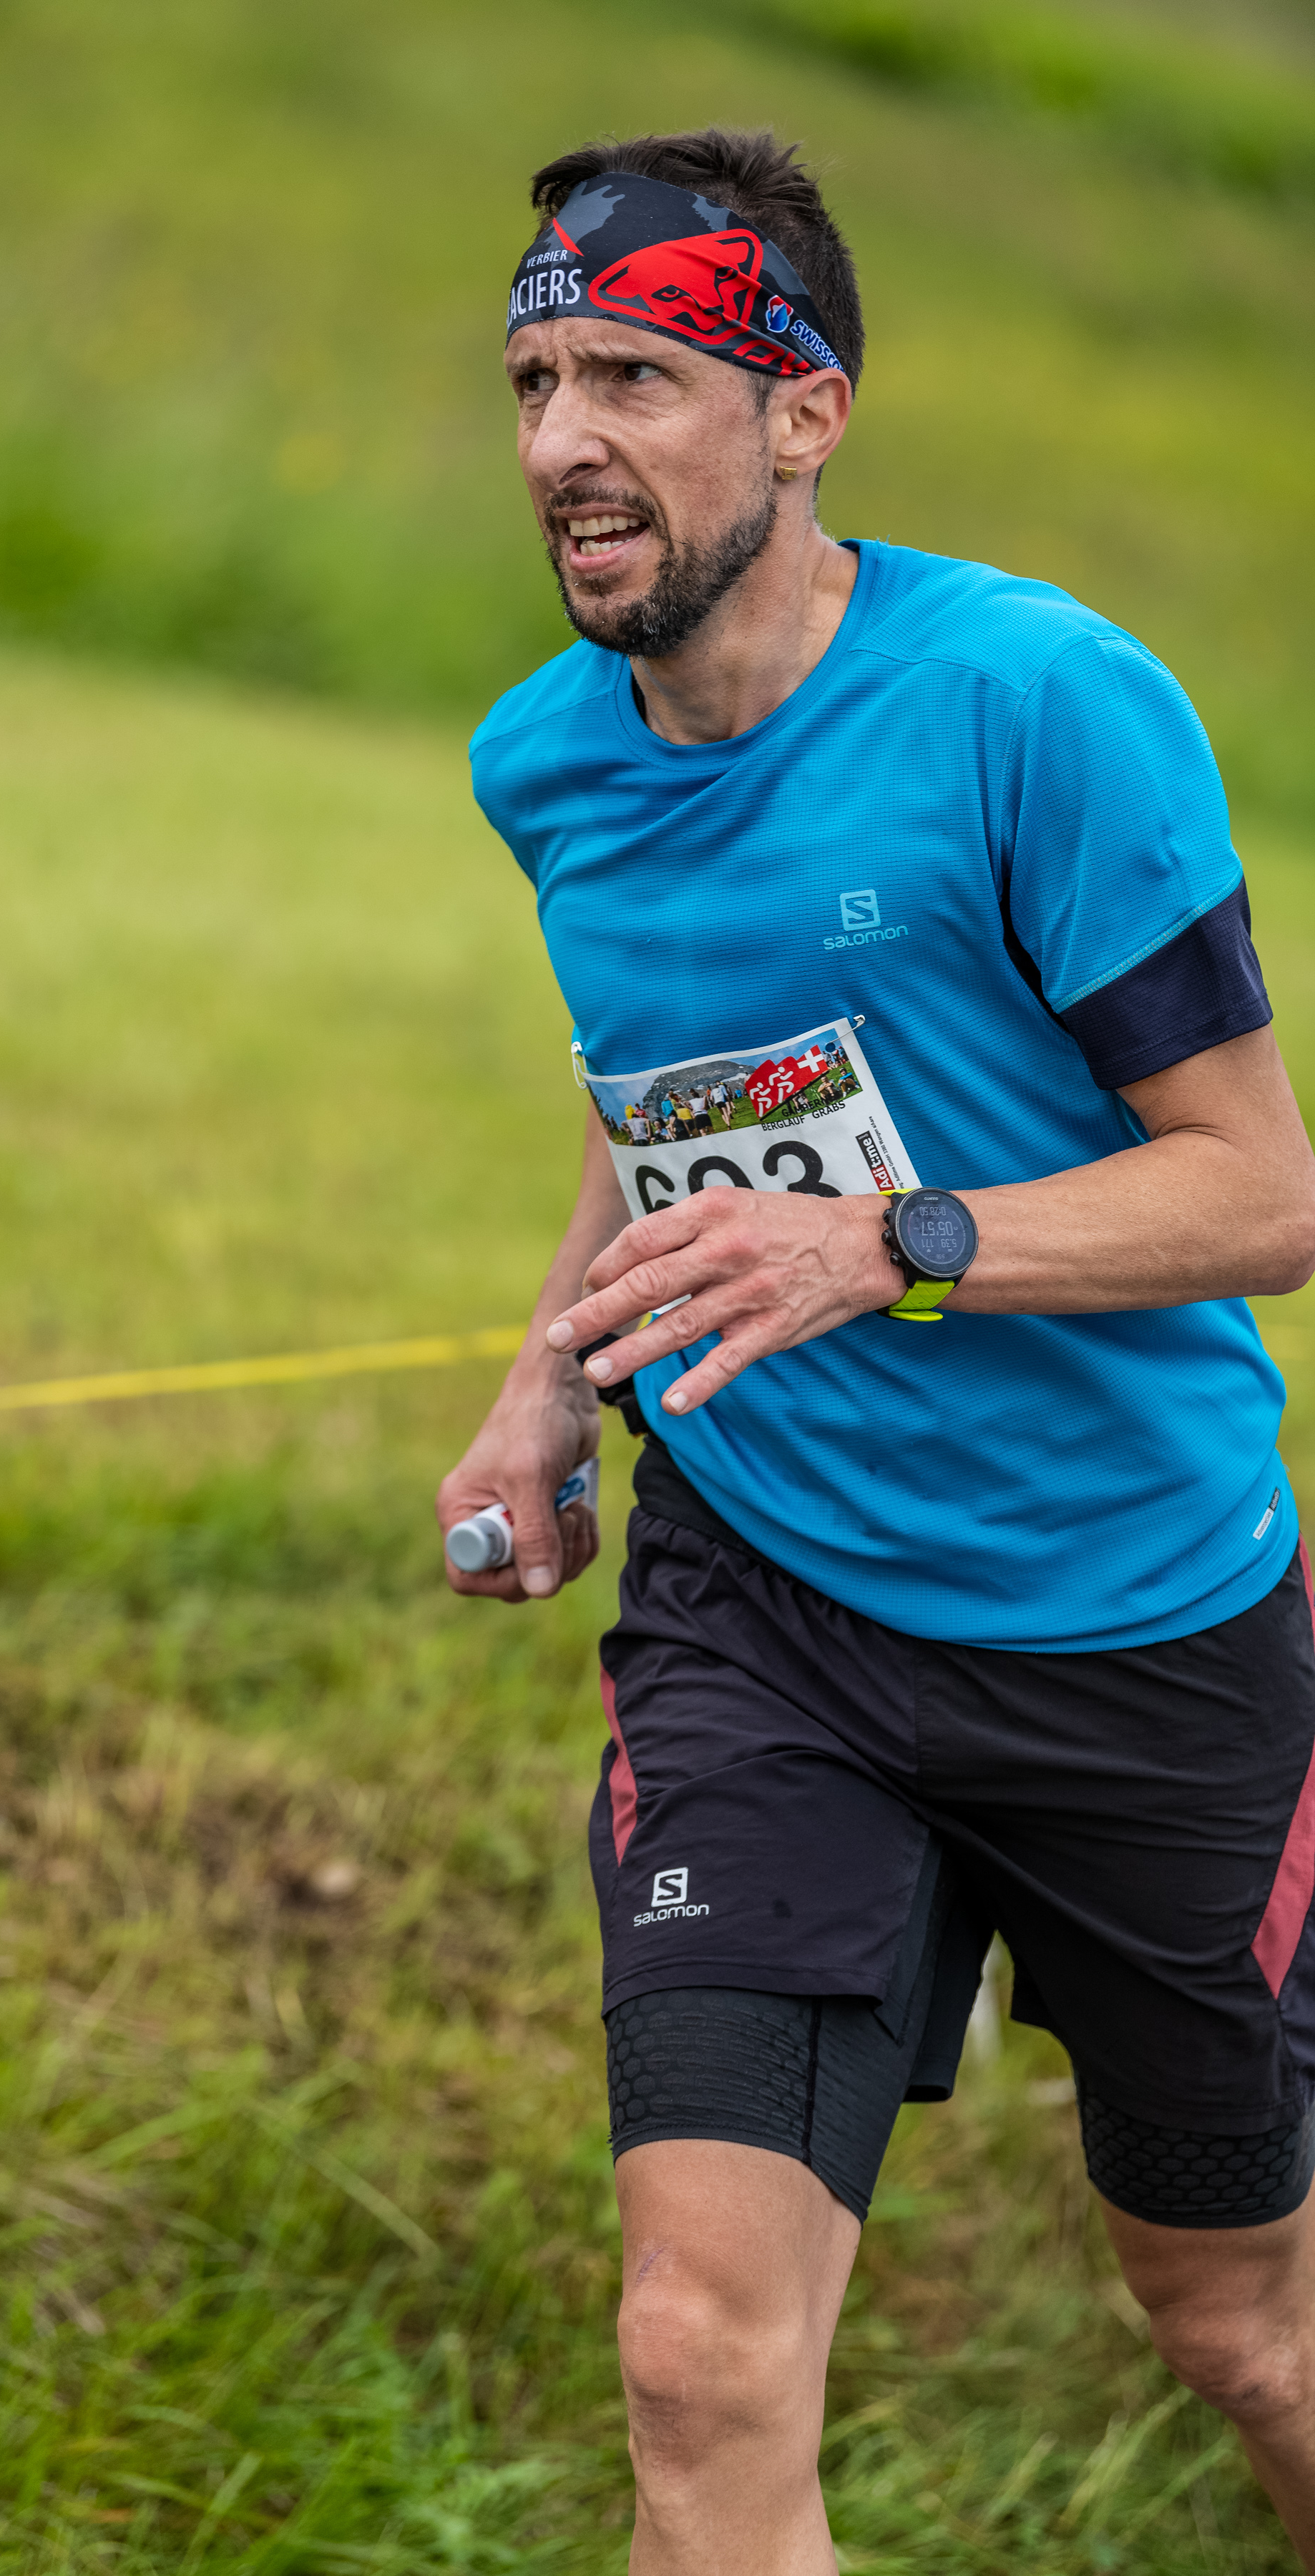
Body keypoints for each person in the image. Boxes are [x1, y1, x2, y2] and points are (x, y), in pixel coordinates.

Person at [438, 123, 1315, 2574]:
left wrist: (893, 1243)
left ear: (807, 412)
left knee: (1243, 2328)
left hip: (1137, 1626)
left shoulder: (1039, 702)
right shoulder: (547, 759)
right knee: (695, 2362)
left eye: (635, 376)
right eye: (532, 383)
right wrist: (552, 1372)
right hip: (773, 1611)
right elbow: (664, 1082)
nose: (562, 441)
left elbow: (1264, 1194)